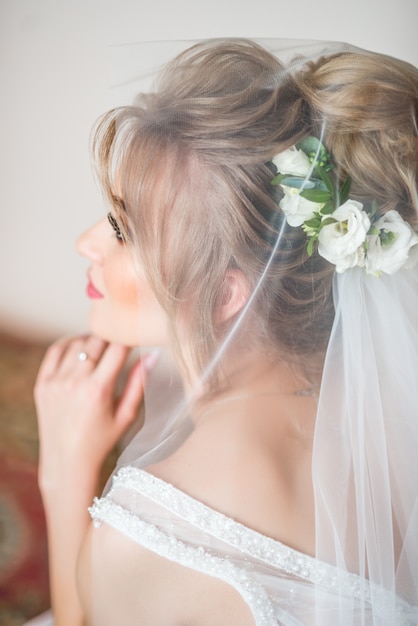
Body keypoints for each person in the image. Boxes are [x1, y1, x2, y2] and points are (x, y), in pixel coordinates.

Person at [33, 39, 418, 625]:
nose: (87, 243)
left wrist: (64, 473)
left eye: (121, 229)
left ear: (223, 294)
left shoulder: (152, 533)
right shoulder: (385, 435)